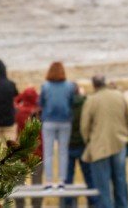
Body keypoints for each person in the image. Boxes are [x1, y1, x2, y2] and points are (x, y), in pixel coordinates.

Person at [82, 75, 128, 208]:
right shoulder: (119, 96)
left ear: (94, 85)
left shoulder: (91, 100)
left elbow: (84, 126)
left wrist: (89, 141)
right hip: (119, 143)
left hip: (99, 146)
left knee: (103, 188)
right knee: (120, 183)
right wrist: (126, 136)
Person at [42, 61, 77, 189]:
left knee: (48, 152)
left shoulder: (45, 86)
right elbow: (72, 102)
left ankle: (49, 181)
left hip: (49, 121)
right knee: (63, 152)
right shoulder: (69, 86)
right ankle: (62, 181)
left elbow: (41, 102)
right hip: (65, 121)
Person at [64, 82, 97, 208]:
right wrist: (83, 95)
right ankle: (93, 202)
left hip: (68, 144)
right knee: (89, 176)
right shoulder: (84, 102)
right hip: (83, 144)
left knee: (68, 178)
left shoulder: (66, 104)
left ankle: (67, 203)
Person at [15, 87, 44, 208]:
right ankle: (36, 206)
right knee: (37, 184)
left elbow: (14, 101)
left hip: (22, 152)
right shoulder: (40, 112)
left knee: (19, 183)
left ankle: (20, 205)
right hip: (38, 152)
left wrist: (20, 96)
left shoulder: (19, 113)